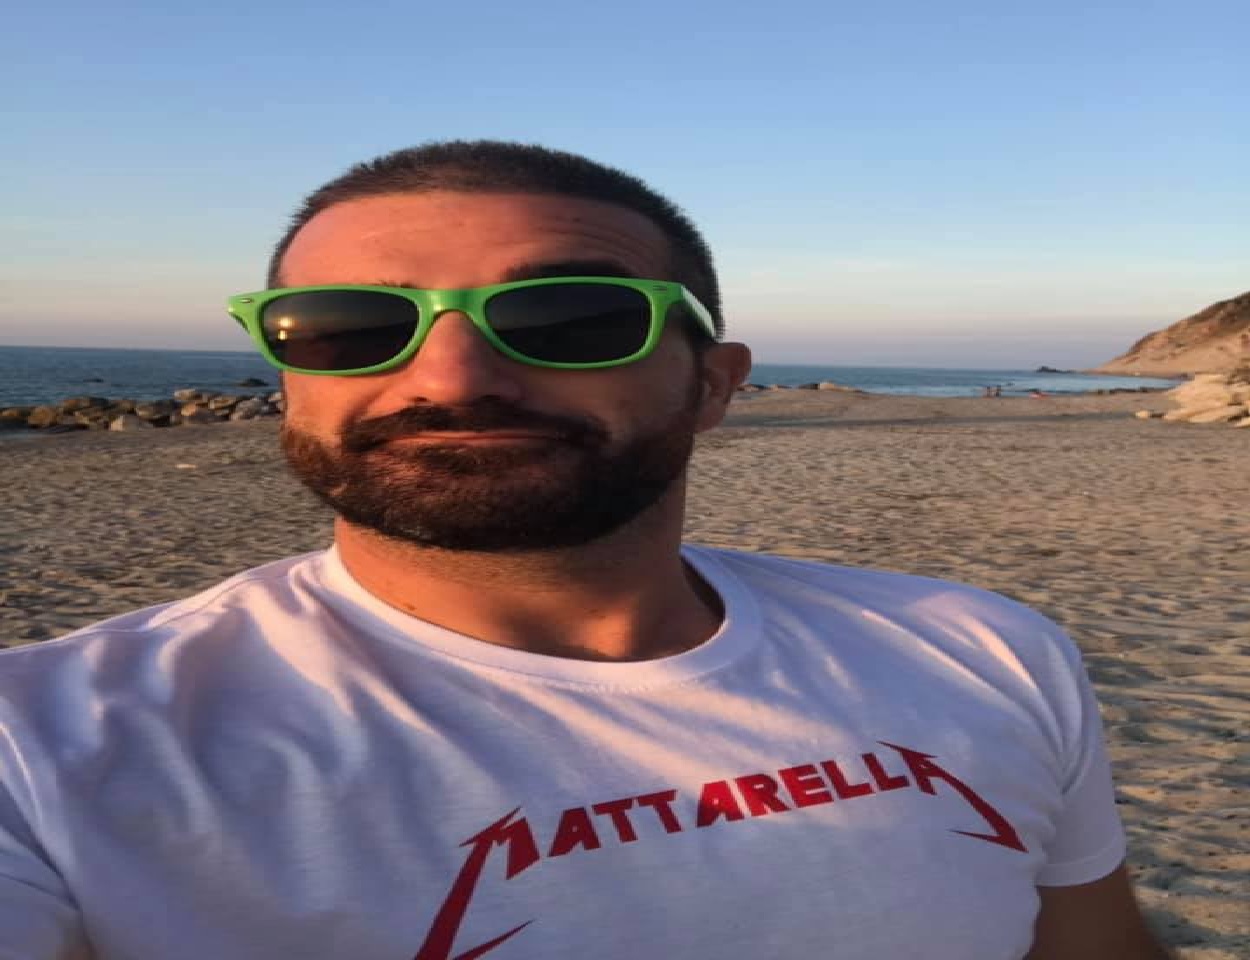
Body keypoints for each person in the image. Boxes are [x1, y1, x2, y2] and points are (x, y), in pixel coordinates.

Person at [0, 140, 1170, 959]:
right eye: (352, 327)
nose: (451, 375)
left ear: (712, 385)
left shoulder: (981, 652)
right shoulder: (49, 749)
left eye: (568, 319)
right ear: (288, 374)